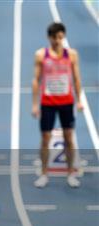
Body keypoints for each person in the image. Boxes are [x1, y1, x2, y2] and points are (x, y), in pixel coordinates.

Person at [32, 22, 83, 188]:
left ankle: (70, 173)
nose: (57, 41)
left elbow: (76, 79)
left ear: (64, 37)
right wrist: (34, 104)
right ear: (49, 38)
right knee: (45, 139)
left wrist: (80, 100)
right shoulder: (41, 55)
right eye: (54, 37)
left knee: (69, 138)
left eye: (60, 37)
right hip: (47, 103)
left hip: (66, 102)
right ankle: (44, 173)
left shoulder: (72, 55)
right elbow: (36, 80)